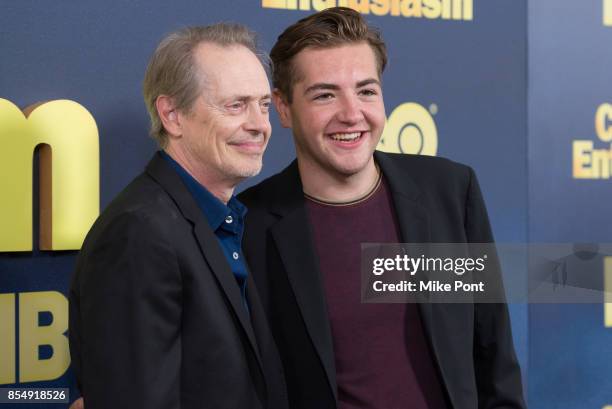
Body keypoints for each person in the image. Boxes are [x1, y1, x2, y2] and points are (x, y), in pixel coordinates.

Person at [239, 7, 526, 409]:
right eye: (325, 94)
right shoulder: (248, 226)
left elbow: (493, 357)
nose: (351, 114)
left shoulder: (449, 193)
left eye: (366, 90)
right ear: (284, 108)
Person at [69, 24, 287, 409]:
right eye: (236, 105)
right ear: (171, 115)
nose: (259, 124)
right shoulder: (139, 233)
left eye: (263, 105)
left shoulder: (229, 218)